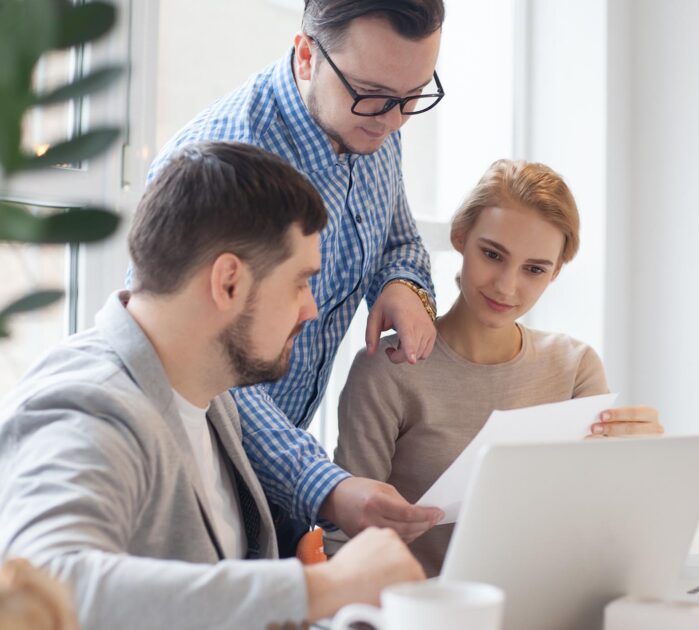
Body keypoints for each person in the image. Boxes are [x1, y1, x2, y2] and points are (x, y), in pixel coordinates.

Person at [0, 143, 424, 629]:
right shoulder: (87, 406)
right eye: (300, 282)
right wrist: (321, 588)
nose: (310, 309)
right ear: (228, 282)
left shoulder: (208, 391)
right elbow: (47, 583)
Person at [139, 0, 447, 546]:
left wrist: (404, 285)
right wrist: (325, 486)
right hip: (195, 487)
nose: (395, 120)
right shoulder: (223, 161)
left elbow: (397, 239)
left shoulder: (377, 117)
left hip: (286, 485)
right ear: (307, 55)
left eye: (413, 97)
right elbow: (208, 365)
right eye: (374, 96)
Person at [329, 159, 664, 577]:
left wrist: (639, 468)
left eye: (534, 269)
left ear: (555, 271)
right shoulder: (391, 369)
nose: (507, 286)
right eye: (492, 254)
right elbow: (346, 537)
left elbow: (602, 526)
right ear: (460, 236)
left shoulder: (575, 367)